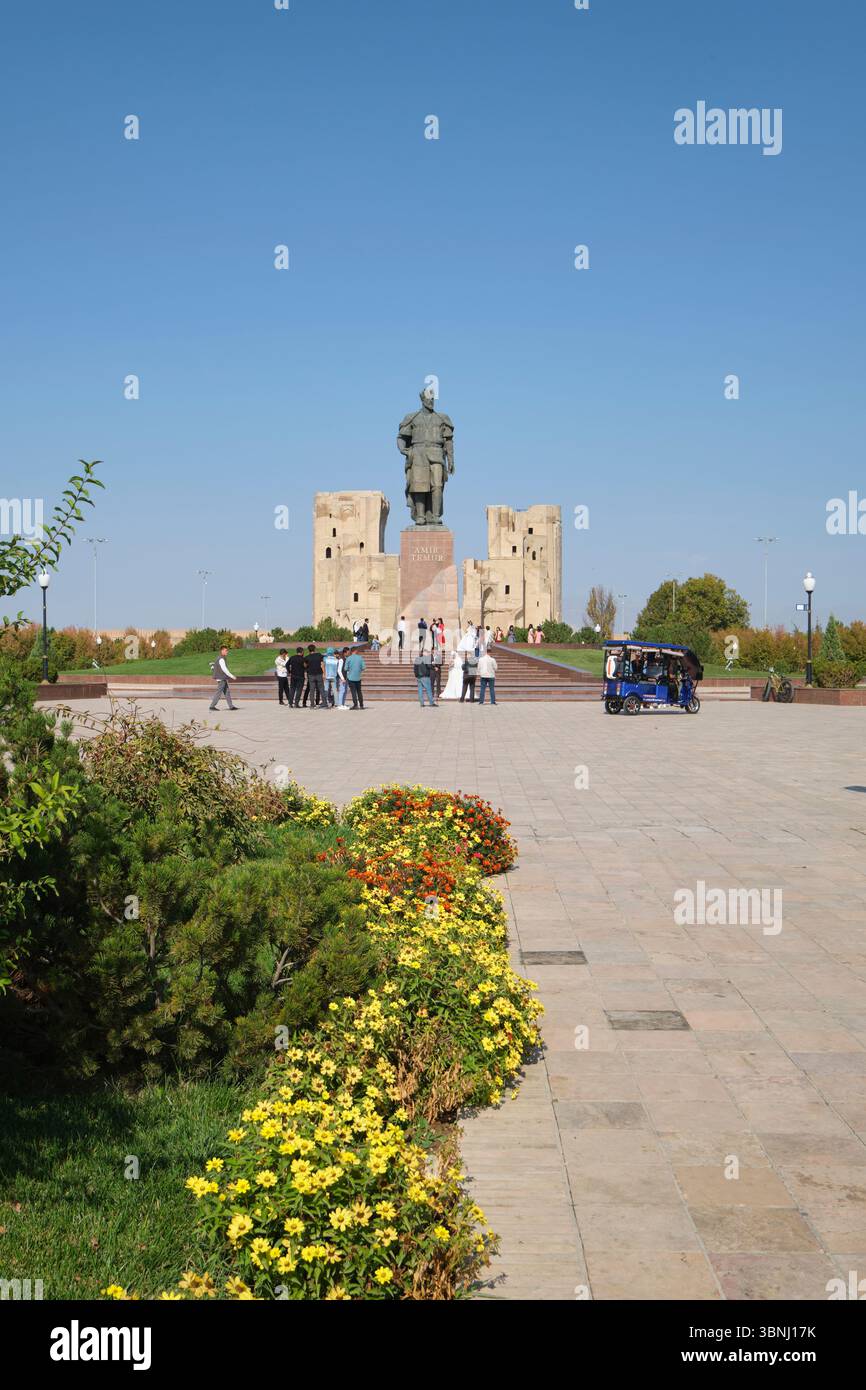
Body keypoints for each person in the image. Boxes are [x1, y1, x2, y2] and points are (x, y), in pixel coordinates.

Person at [209, 645, 238, 710]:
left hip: (223, 678)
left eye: (227, 650)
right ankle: (212, 706)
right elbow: (224, 669)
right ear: (222, 651)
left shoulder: (219, 658)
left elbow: (216, 666)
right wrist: (232, 676)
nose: (227, 651)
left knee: (227, 692)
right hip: (221, 678)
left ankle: (231, 706)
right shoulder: (221, 659)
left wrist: (212, 666)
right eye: (226, 650)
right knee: (219, 692)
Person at [305, 644, 325, 709]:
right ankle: (324, 703)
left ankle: (312, 705)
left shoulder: (307, 657)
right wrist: (324, 673)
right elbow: (322, 664)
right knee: (321, 689)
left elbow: (305, 665)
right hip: (319, 674)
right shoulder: (319, 655)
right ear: (315, 649)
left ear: (308, 650)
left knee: (312, 690)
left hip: (311, 675)